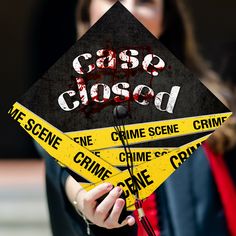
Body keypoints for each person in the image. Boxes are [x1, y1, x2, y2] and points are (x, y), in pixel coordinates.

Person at [40, 0, 236, 235]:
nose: (128, 10)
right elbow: (61, 167)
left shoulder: (213, 104)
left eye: (145, 1)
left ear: (166, 19)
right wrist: (84, 199)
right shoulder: (63, 106)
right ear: (87, 14)